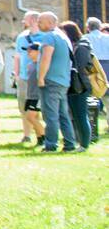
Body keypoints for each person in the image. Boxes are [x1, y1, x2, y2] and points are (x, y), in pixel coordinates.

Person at [34, 11, 79, 152]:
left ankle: (51, 144)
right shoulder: (63, 36)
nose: (38, 24)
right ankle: (70, 143)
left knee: (50, 115)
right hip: (63, 80)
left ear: (50, 22)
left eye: (40, 21)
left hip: (51, 80)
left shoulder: (50, 37)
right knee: (63, 114)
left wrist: (41, 77)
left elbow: (46, 57)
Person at [63, 20, 94, 151]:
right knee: (74, 115)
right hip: (73, 84)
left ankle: (85, 143)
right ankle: (78, 141)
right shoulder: (74, 45)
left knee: (81, 115)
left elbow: (80, 66)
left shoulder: (81, 46)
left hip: (80, 85)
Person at [13, 11, 40, 142]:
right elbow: (17, 57)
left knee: (39, 107)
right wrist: (16, 75)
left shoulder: (45, 36)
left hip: (40, 76)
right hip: (24, 77)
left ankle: (41, 133)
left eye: (26, 19)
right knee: (24, 106)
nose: (23, 22)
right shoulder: (21, 37)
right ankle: (27, 135)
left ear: (34, 20)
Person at [21, 41, 47, 147]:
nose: (28, 53)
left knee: (30, 117)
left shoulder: (42, 64)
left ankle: (45, 137)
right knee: (33, 117)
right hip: (30, 95)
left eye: (30, 51)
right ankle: (39, 138)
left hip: (37, 95)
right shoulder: (30, 65)